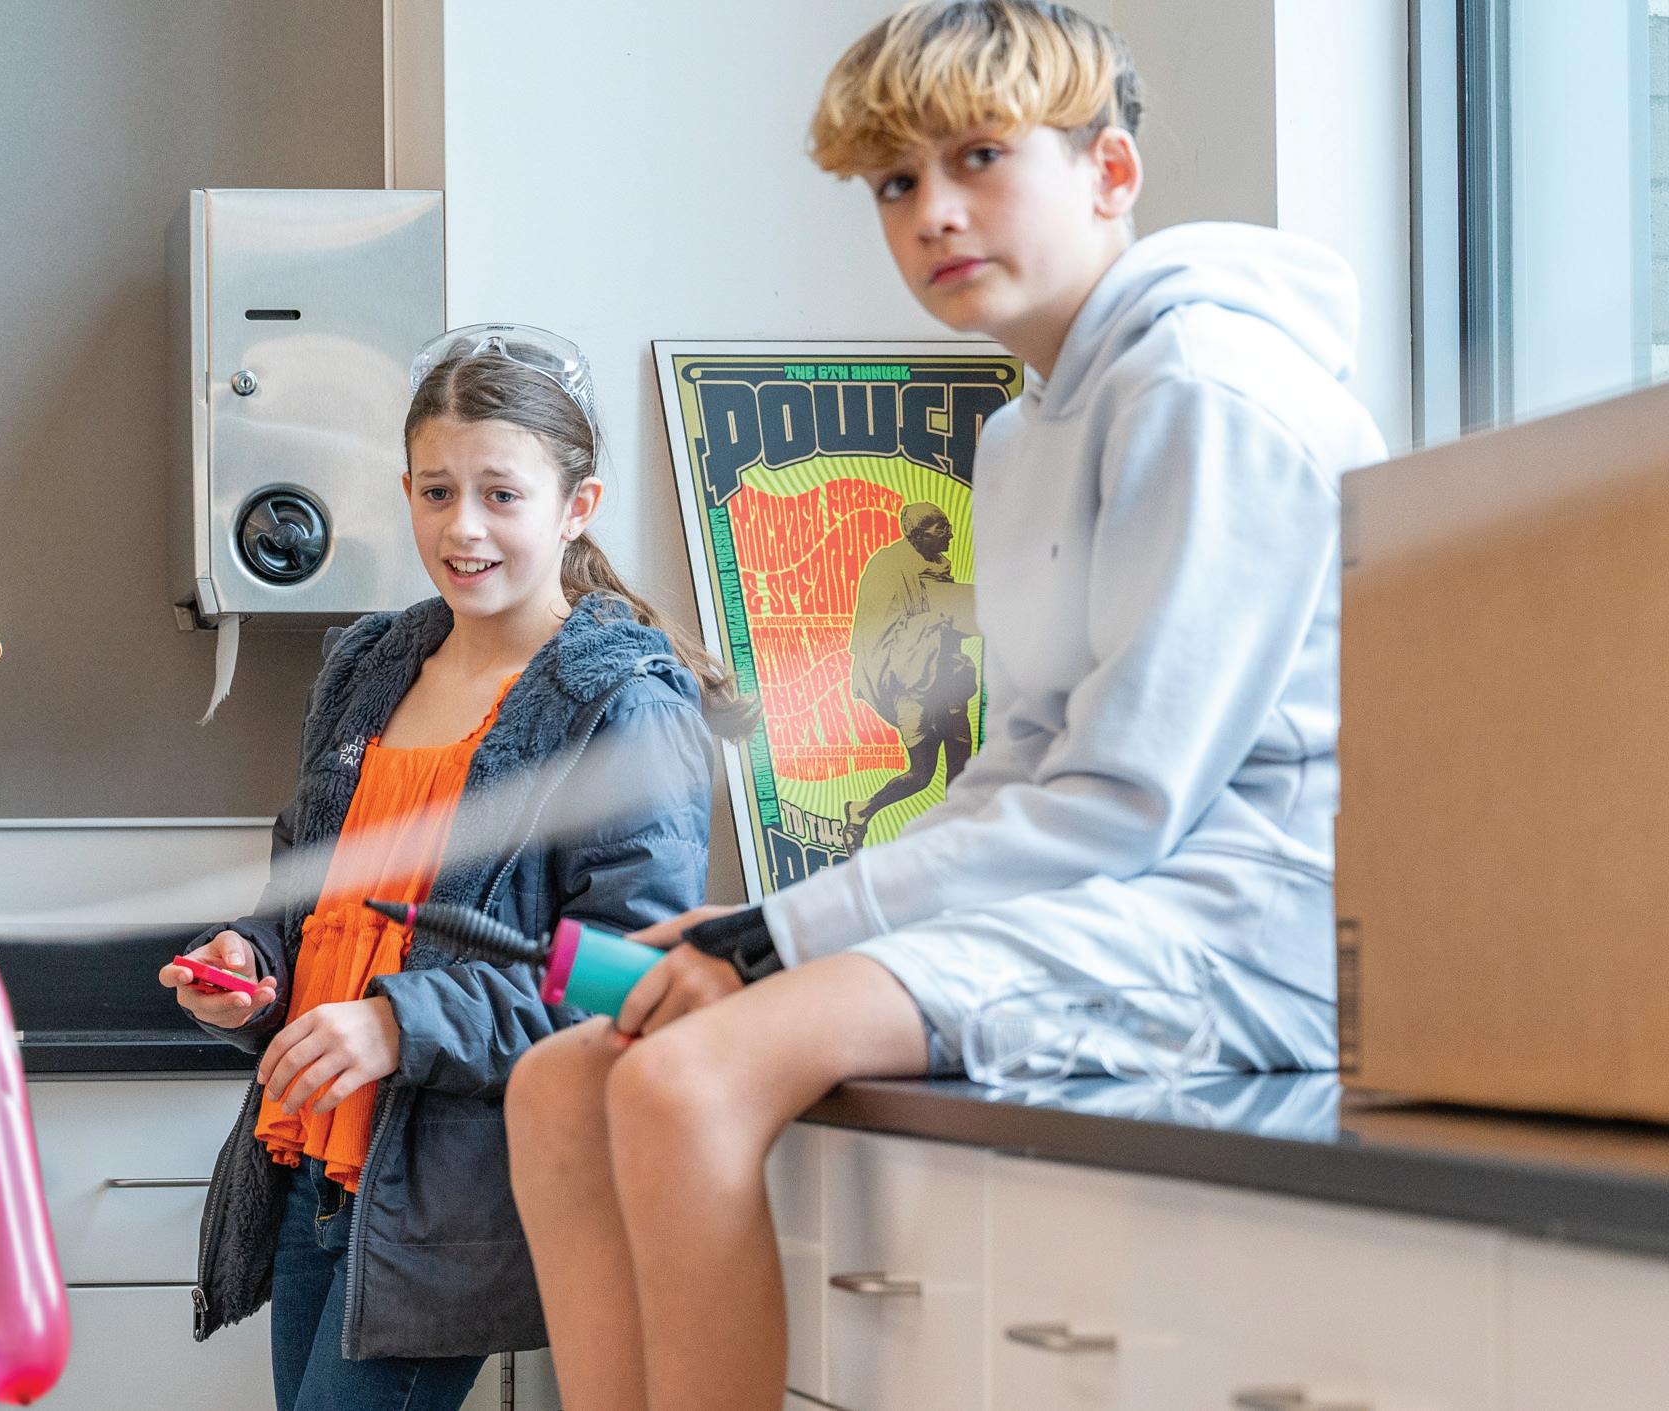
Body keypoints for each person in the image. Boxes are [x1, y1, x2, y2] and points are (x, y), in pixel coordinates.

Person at [500, 4, 1390, 1407]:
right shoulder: (1026, 430)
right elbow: (1019, 764)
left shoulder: (1208, 392)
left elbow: (1122, 800)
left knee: (684, 1080)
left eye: (979, 157)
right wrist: (768, 926)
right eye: (895, 182)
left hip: (1245, 924)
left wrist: (775, 938)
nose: (932, 213)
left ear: (1109, 171)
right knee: (560, 1081)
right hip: (1115, 898)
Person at [165, 325, 738, 1411]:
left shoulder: (621, 702)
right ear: (406, 492)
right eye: (436, 492)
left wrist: (400, 1024)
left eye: (501, 494)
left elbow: (626, 979)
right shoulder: (368, 666)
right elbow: (308, 900)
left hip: (450, 1201)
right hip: (308, 1165)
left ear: (576, 506)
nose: (461, 526)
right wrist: (250, 963)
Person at [845, 500, 979, 848]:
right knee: (921, 775)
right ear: (918, 535)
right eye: (941, 528)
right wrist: (938, 622)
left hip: (949, 678)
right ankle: (861, 810)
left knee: (961, 763)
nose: (950, 535)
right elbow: (883, 634)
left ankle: (954, 840)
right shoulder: (888, 569)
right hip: (911, 684)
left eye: (949, 526)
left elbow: (947, 612)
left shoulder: (936, 566)